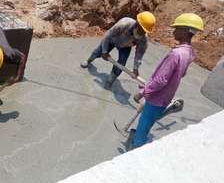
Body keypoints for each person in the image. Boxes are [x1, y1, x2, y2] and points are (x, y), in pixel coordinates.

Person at [128, 13, 204, 149]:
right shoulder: (189, 52)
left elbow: (161, 80)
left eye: (177, 28)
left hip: (156, 97)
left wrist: (142, 92)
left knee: (143, 127)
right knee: (149, 120)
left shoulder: (176, 54)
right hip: (166, 96)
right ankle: (169, 109)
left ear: (186, 31)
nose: (174, 31)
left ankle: (136, 148)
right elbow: (183, 73)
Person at [80, 12, 156, 89]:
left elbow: (139, 55)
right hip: (113, 39)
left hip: (126, 46)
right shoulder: (124, 24)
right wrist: (104, 52)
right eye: (142, 29)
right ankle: (88, 61)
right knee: (98, 51)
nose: (142, 32)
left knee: (121, 64)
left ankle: (110, 81)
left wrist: (135, 69)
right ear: (137, 23)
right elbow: (107, 36)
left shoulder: (143, 39)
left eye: (144, 31)